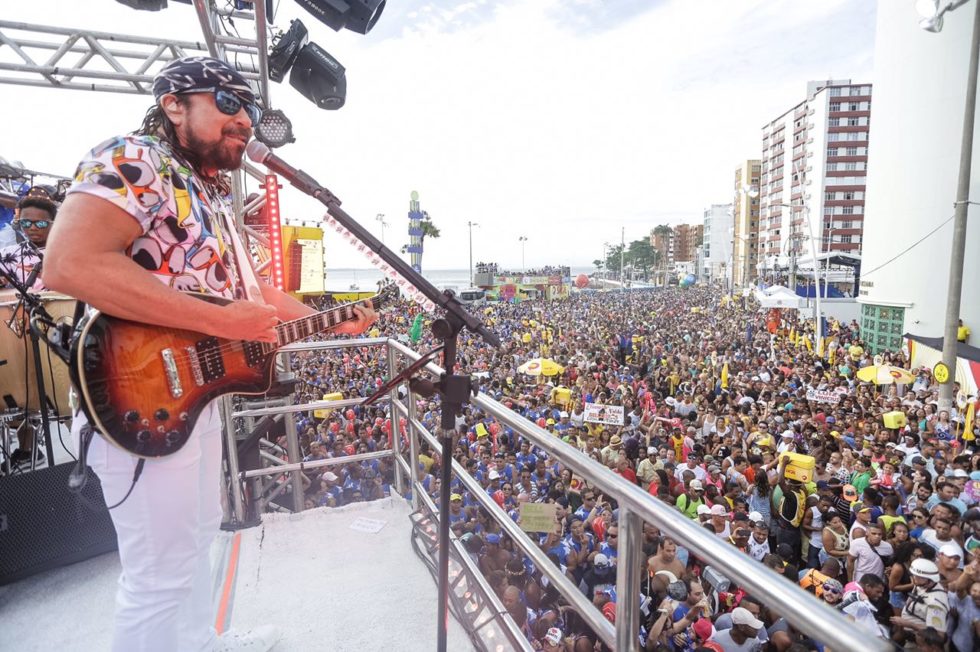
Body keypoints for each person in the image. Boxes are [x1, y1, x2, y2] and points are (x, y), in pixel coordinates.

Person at [43, 56, 377, 652]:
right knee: (156, 577)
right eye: (227, 103)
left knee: (199, 537)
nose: (245, 120)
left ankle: (199, 640)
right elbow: (70, 263)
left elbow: (251, 294)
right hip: (141, 390)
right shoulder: (133, 158)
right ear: (174, 105)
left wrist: (329, 320)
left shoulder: (210, 191)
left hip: (196, 395)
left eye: (249, 109)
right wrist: (222, 318)